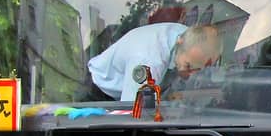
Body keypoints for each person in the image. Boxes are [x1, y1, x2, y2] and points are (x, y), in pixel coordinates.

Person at [87, 23, 224, 101]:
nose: (190, 74)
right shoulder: (148, 61)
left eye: (197, 69)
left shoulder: (189, 36)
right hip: (100, 93)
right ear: (179, 43)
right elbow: (133, 114)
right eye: (188, 66)